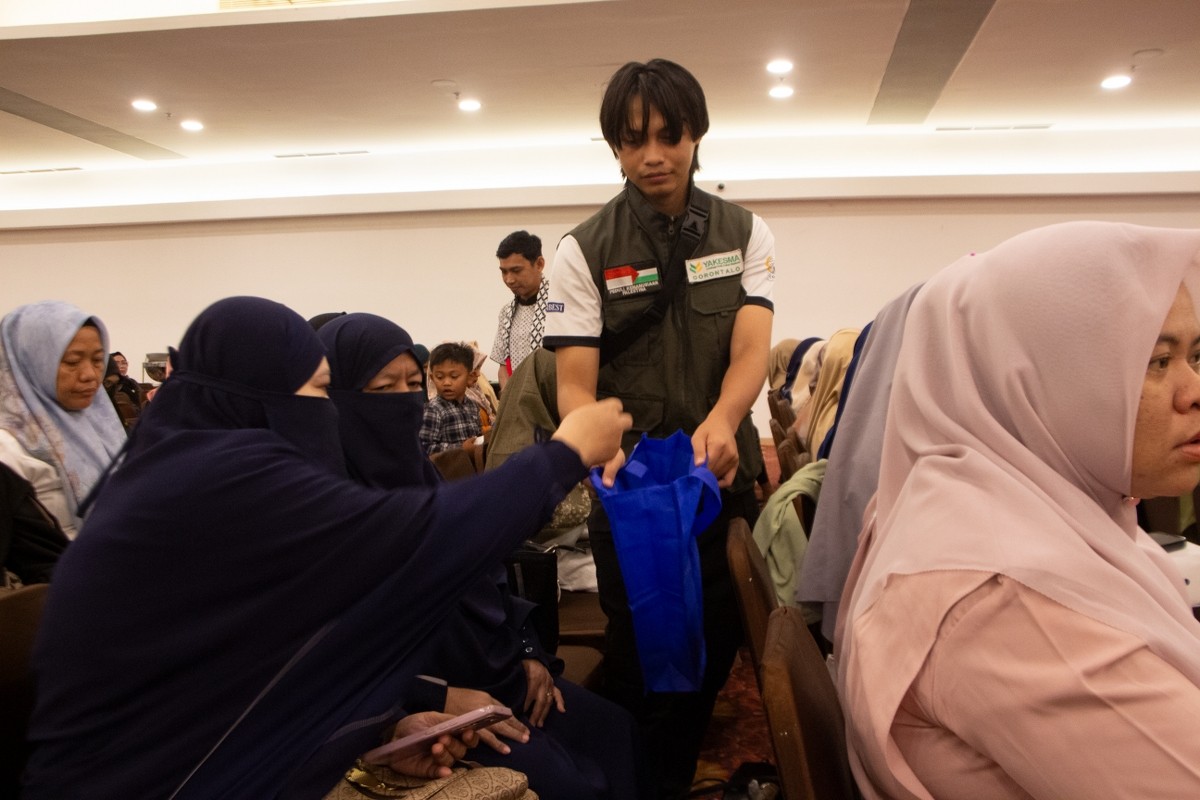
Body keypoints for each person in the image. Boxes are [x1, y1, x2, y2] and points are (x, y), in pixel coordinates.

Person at [23, 296, 631, 799]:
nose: (329, 415)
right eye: (319, 392)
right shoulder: (211, 481)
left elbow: (259, 666)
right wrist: (566, 452)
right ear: (255, 393)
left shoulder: (182, 466)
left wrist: (379, 728)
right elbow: (421, 542)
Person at [835, 222, 1200, 799]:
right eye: (1154, 361)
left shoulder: (970, 504)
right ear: (1041, 380)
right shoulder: (1005, 600)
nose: (1193, 389)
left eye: (1195, 356)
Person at [543, 58, 775, 797]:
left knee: (716, 649)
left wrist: (724, 419)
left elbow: (752, 348)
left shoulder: (744, 231)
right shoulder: (583, 249)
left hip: (720, 484)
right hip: (634, 498)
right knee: (644, 659)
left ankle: (659, 772)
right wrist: (597, 447)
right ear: (614, 147)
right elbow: (574, 383)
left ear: (696, 135)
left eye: (668, 136)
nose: (652, 156)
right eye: (633, 139)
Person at [318, 312, 645, 800]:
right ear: (338, 398)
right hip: (420, 704)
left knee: (615, 730)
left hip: (499, 673)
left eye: (413, 384)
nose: (404, 400)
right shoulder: (328, 510)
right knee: (567, 783)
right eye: (384, 388)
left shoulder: (419, 477)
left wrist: (529, 652)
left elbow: (488, 573)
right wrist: (439, 697)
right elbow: (334, 657)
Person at [0, 301, 126, 540]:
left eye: (98, 360)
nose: (90, 375)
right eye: (72, 362)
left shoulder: (101, 427)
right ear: (30, 364)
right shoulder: (8, 448)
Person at [491, 230, 549, 390]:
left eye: (516, 271)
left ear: (539, 264)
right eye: (504, 272)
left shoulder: (561, 306)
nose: (509, 279)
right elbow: (503, 366)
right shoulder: (506, 312)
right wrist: (511, 399)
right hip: (516, 399)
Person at [420, 341, 485, 455]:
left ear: (469, 376)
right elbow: (424, 447)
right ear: (432, 377)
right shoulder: (433, 409)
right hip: (448, 466)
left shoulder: (473, 406)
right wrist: (460, 448)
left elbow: (477, 437)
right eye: (439, 377)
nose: (446, 383)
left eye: (454, 376)